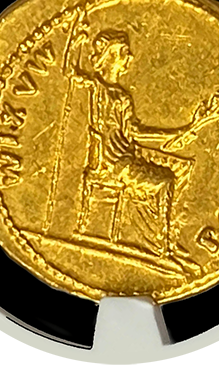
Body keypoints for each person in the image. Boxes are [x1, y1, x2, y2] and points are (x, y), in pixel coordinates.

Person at [73, 30, 201, 257]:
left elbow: (132, 134)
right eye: (123, 52)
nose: (130, 56)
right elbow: (136, 132)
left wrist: (177, 133)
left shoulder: (120, 96)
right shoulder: (98, 88)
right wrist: (76, 42)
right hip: (116, 164)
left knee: (182, 166)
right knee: (166, 180)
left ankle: (155, 227)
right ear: (109, 55)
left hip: (130, 154)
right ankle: (161, 245)